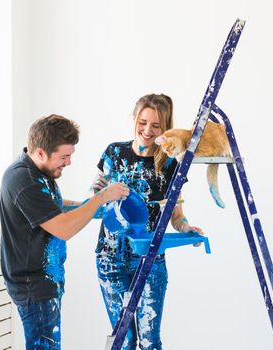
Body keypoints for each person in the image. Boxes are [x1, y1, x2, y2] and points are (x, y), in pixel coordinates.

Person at [0, 114, 129, 349]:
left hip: (45, 282)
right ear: (40, 152)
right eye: (64, 157)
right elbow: (63, 228)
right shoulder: (23, 179)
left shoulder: (39, 173)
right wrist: (100, 198)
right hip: (33, 287)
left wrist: (94, 207)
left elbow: (54, 204)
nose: (68, 163)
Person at [92, 94, 204, 350]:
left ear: (165, 128)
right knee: (124, 339)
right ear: (134, 118)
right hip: (110, 259)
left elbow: (176, 215)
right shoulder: (114, 153)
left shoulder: (170, 165)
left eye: (156, 126)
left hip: (150, 259)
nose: (147, 131)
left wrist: (187, 228)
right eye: (143, 122)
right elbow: (95, 199)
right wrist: (100, 196)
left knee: (149, 341)